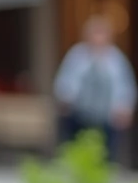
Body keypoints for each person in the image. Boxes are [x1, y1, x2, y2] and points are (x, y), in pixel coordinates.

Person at [54, 15, 136, 162]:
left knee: (106, 154)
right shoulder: (77, 55)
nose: (98, 38)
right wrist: (65, 97)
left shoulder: (116, 59)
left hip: (107, 116)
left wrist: (125, 107)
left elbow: (125, 86)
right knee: (77, 149)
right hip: (79, 113)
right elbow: (65, 81)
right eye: (95, 33)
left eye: (102, 34)